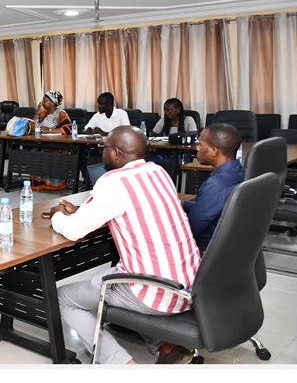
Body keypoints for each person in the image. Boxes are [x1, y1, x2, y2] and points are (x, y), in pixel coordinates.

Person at [48, 126, 200, 364]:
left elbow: (74, 231)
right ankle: (166, 345)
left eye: (104, 148)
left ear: (116, 153)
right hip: (189, 285)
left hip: (155, 291)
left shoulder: (113, 181)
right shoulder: (158, 171)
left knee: (61, 298)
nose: (101, 153)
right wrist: (82, 211)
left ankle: (121, 364)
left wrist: (58, 215)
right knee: (108, 275)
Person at [182, 123, 242, 251]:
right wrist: (182, 204)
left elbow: (191, 229)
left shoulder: (215, 184)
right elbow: (214, 207)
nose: (197, 148)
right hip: (229, 243)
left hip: (207, 248)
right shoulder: (237, 171)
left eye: (200, 144)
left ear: (214, 151)